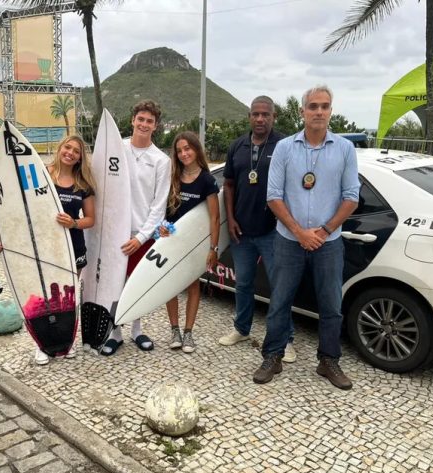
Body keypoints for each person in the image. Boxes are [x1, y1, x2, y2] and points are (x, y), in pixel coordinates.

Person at [256, 85, 360, 390]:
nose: (318, 112)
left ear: (331, 111)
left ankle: (329, 361)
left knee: (331, 305)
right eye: (312, 106)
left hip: (329, 243)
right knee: (279, 301)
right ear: (302, 111)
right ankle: (273, 355)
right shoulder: (285, 148)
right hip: (289, 240)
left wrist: (324, 231)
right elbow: (273, 196)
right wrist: (300, 232)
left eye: (324, 106)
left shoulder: (344, 149)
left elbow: (351, 197)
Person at [0, 135, 96, 365]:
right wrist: (3, 237)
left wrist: (74, 223)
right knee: (40, 295)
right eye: (67, 147)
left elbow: (90, 219)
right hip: (41, 248)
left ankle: (66, 341)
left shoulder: (83, 184)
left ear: (81, 158)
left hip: (72, 248)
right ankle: (41, 344)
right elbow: (17, 207)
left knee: (68, 298)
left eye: (76, 151)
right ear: (60, 148)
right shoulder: (40, 174)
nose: (70, 153)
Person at [216, 96, 297, 363]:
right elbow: (228, 185)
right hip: (242, 230)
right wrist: (231, 218)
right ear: (249, 117)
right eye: (255, 114)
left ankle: (285, 339)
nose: (260, 119)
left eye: (265, 114)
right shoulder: (237, 146)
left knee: (280, 287)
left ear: (274, 117)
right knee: (244, 283)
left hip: (275, 231)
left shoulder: (285, 145)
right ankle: (241, 329)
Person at [100, 100, 171, 356]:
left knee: (138, 286)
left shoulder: (161, 160)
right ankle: (115, 333)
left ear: (155, 126)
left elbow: (159, 205)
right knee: (115, 285)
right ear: (132, 120)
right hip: (115, 233)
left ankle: (137, 330)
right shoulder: (116, 149)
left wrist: (141, 237)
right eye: (140, 119)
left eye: (149, 121)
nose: (144, 124)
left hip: (143, 235)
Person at [162, 131, 220, 353]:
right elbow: (162, 210)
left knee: (192, 285)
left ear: (196, 149)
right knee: (170, 287)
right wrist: (160, 232)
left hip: (193, 243)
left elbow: (214, 217)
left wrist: (213, 248)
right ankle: (174, 330)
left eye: (188, 148)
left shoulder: (207, 180)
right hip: (171, 240)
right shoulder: (172, 178)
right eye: (179, 150)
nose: (184, 153)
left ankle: (188, 333)